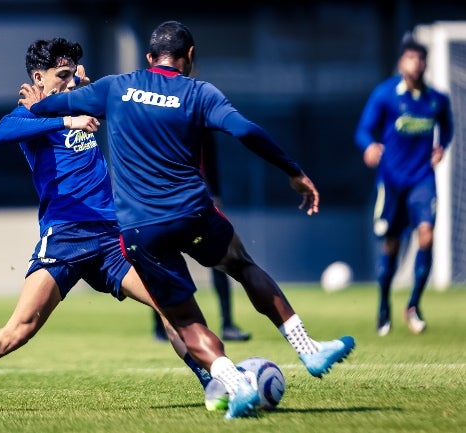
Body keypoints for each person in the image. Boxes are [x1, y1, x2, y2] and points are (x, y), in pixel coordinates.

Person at [27, 21, 355, 418]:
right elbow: (245, 130)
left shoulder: (114, 87)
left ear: (149, 58)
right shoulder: (200, 92)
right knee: (241, 265)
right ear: (191, 57)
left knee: (184, 319)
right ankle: (308, 348)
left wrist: (46, 100)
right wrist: (293, 171)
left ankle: (236, 388)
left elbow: (46, 108)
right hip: (193, 211)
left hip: (140, 230)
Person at [0, 37, 213, 413]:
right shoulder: (33, 114)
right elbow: (2, 131)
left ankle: (213, 383)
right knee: (18, 332)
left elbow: (126, 103)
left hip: (109, 237)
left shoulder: (79, 97)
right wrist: (67, 118)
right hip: (65, 237)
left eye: (71, 74)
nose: (68, 82)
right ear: (39, 76)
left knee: (170, 306)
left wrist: (84, 86)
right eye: (61, 75)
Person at [354, 33, 453, 336]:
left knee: (426, 236)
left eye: (421, 58)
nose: (417, 63)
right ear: (402, 62)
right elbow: (363, 130)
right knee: (392, 246)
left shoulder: (437, 99)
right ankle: (383, 306)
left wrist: (441, 147)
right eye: (411, 57)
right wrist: (369, 146)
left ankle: (412, 305)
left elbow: (447, 129)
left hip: (423, 180)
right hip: (392, 182)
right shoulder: (385, 95)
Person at [153, 132, 251, 343]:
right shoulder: (156, 116)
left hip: (198, 198)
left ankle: (228, 323)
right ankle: (162, 327)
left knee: (221, 255)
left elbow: (210, 157)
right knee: (162, 259)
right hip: (164, 200)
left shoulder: (197, 116)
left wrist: (215, 195)